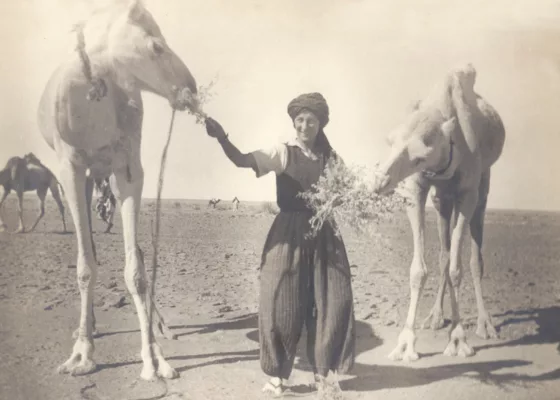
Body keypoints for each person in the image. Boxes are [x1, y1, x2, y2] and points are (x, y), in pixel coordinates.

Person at [204, 92, 355, 396]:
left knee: (334, 301)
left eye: (310, 120)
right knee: (281, 302)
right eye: (299, 120)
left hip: (325, 235)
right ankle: (277, 378)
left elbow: (350, 189)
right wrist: (222, 138)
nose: (303, 125)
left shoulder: (333, 158)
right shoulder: (283, 153)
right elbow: (242, 160)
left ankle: (325, 376)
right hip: (288, 233)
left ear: (320, 123)